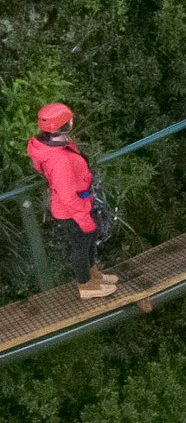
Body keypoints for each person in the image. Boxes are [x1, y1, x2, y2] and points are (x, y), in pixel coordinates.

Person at [24, 104, 113, 300]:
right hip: (72, 210)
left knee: (88, 241)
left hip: (79, 204)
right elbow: (67, 195)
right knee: (81, 245)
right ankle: (86, 285)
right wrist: (83, 219)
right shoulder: (60, 159)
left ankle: (93, 275)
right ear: (65, 125)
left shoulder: (55, 144)